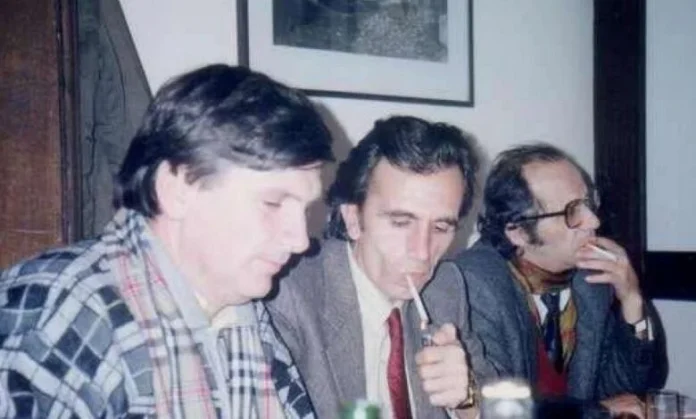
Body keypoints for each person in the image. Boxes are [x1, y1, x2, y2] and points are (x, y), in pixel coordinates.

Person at [0, 64, 334, 418]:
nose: (300, 241)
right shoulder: (63, 311)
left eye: (304, 210)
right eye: (273, 203)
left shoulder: (244, 315)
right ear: (177, 189)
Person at [266, 116, 483, 418]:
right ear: (353, 219)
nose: (422, 252)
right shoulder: (291, 293)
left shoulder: (445, 288)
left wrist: (467, 401)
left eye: (441, 227)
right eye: (401, 222)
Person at [436, 143, 667, 417]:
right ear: (519, 232)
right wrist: (600, 412)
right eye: (572, 211)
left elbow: (632, 388)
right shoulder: (471, 287)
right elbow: (499, 410)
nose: (593, 221)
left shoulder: (591, 279)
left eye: (589, 203)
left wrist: (631, 298)